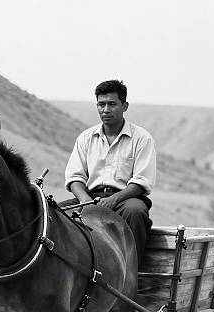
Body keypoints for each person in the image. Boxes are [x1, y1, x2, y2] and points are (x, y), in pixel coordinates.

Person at [64, 79, 156, 262]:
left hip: (126, 199)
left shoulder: (142, 138)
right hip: (89, 197)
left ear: (125, 106)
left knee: (135, 212)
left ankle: (131, 273)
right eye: (101, 104)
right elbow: (74, 177)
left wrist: (113, 200)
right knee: (58, 213)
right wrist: (84, 200)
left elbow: (141, 181)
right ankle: (69, 272)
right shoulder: (86, 138)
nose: (106, 110)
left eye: (112, 104)